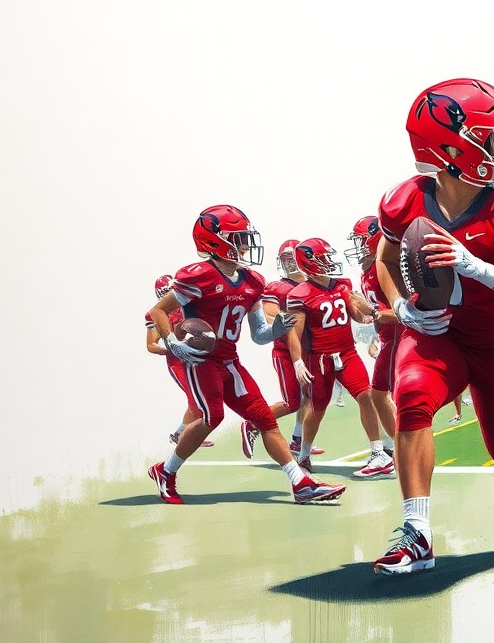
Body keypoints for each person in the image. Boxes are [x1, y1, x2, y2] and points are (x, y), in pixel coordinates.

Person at [371, 78, 494, 575]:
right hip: (437, 332)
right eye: (493, 137)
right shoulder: (405, 200)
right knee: (412, 398)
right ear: (451, 149)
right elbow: (385, 256)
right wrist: (400, 305)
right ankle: (416, 534)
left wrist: (475, 265)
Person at [147, 205, 345, 505]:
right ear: (214, 241)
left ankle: (300, 483)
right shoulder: (198, 276)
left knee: (265, 419)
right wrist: (174, 344)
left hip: (230, 360)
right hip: (202, 361)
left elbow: (259, 335)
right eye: (238, 239)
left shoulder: (252, 281)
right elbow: (158, 311)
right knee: (212, 416)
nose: (244, 245)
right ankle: (166, 471)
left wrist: (277, 328)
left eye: (244, 239)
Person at [285, 238, 389, 478]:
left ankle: (378, 452)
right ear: (309, 263)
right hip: (320, 359)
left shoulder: (342, 284)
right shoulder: (299, 294)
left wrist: (365, 316)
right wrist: (298, 361)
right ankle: (304, 454)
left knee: (366, 395)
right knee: (318, 408)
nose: (328, 262)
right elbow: (294, 332)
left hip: (347, 352)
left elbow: (352, 313)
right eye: (322, 259)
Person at [255, 241, 322, 458]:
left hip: (309, 350)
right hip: (285, 350)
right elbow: (270, 315)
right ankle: (253, 422)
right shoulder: (278, 287)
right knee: (292, 402)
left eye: (293, 258)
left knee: (310, 397)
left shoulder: (314, 284)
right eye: (286, 260)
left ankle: (297, 439)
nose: (291, 264)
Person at [348, 215, 401, 460]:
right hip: (387, 337)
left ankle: (398, 452)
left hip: (400, 336)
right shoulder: (367, 270)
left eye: (362, 241)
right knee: (384, 395)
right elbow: (375, 315)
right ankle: (394, 449)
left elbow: (404, 313)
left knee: (379, 394)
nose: (359, 247)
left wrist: (372, 312)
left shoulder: (385, 267)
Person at [146, 275, 213, 448]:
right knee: (195, 400)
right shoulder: (157, 313)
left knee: (200, 398)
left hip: (193, 358)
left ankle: (179, 434)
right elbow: (151, 345)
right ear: (162, 293)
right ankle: (187, 435)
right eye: (170, 290)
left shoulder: (185, 306)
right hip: (177, 362)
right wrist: (170, 348)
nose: (173, 293)